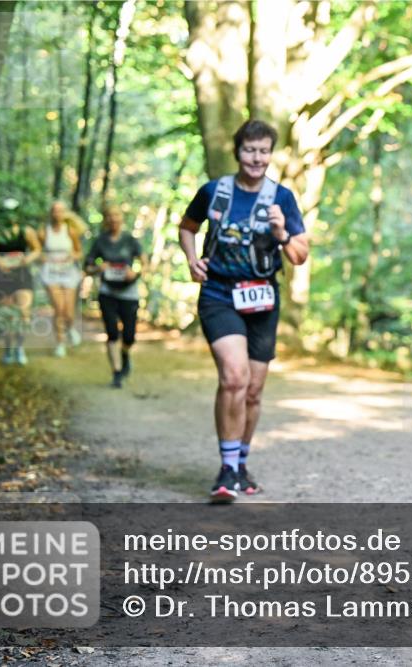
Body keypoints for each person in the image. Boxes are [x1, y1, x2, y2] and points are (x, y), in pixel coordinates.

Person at [179, 119, 308, 502]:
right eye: (250, 150)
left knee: (252, 391)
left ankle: (241, 464)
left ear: (271, 154)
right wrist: (192, 260)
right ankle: (226, 468)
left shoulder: (281, 197)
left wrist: (282, 234)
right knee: (234, 378)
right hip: (219, 293)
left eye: (263, 151)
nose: (256, 158)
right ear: (237, 152)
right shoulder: (213, 191)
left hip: (262, 299)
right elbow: (187, 227)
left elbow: (300, 256)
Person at [85, 205, 148, 388]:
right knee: (112, 333)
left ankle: (125, 354)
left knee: (129, 336)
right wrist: (98, 268)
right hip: (108, 293)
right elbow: (87, 267)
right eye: (109, 216)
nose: (113, 219)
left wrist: (135, 273)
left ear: (121, 218)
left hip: (129, 293)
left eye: (116, 215)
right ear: (106, 219)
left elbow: (145, 263)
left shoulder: (130, 240)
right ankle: (117, 372)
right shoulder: (100, 241)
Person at [0, 198, 42, 365]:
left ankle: (19, 347)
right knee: (6, 315)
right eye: (7, 212)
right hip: (1, 277)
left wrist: (27, 259)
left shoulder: (26, 231)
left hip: (22, 275)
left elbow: (36, 249)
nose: (10, 216)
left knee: (23, 312)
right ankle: (8, 348)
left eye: (13, 212)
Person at [39, 201, 84, 357]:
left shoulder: (70, 231)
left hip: (68, 273)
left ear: (64, 213)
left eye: (60, 211)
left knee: (68, 312)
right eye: (55, 210)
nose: (57, 213)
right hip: (50, 273)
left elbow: (79, 252)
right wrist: (43, 258)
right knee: (59, 308)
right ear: (51, 213)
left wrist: (72, 256)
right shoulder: (44, 232)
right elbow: (37, 251)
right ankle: (60, 343)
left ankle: (70, 328)